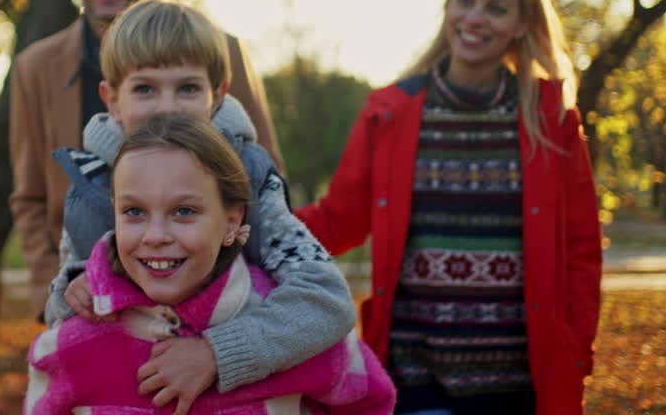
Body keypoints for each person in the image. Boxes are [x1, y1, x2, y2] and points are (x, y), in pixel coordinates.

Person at [295, 0, 602, 415]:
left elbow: (581, 249)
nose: (476, 17)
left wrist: (577, 347)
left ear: (521, 24)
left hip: (521, 384)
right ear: (448, 7)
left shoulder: (552, 122)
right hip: (414, 378)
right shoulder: (389, 113)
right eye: (466, 0)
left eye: (496, 8)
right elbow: (340, 220)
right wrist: (245, 230)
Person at [46, 0, 356, 409]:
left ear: (218, 95)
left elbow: (327, 299)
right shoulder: (89, 190)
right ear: (112, 100)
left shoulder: (247, 180)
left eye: (187, 88)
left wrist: (218, 353)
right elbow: (57, 316)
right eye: (145, 89)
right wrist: (73, 290)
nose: (168, 107)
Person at [9, 0, 282, 315]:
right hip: (91, 309)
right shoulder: (34, 69)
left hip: (221, 308)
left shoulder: (222, 49)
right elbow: (29, 199)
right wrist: (57, 296)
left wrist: (247, 321)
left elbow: (268, 180)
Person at [26, 114, 396, 415]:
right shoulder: (70, 346)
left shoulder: (302, 336)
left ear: (232, 222)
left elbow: (371, 399)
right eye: (134, 211)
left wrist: (221, 355)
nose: (155, 235)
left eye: (184, 211)